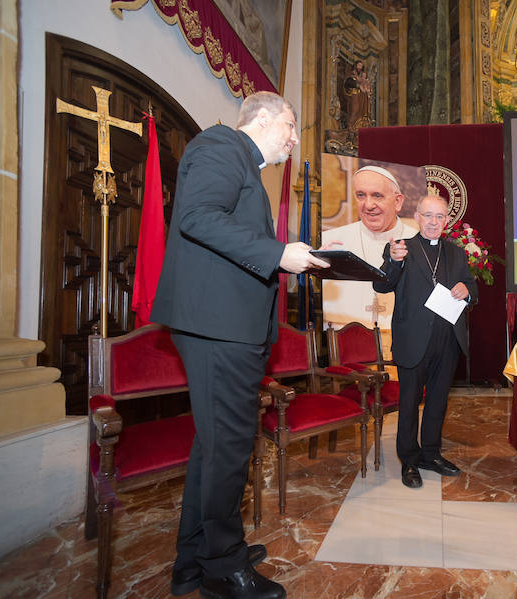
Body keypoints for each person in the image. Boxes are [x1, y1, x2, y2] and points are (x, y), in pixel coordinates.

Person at [150, 91, 328, 599]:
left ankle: (194, 559)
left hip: (228, 327)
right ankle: (222, 568)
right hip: (216, 326)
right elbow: (198, 218)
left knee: (215, 448)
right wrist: (278, 254)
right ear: (265, 118)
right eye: (291, 127)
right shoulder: (221, 146)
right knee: (228, 450)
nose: (294, 140)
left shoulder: (245, 165)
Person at [373, 195, 478, 489]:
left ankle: (430, 454)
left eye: (440, 217)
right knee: (409, 403)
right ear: (417, 217)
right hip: (413, 339)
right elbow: (382, 284)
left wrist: (465, 290)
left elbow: (472, 288)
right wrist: (394, 262)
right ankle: (408, 459)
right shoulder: (401, 249)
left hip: (448, 340)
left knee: (437, 402)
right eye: (428, 215)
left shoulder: (456, 253)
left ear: (447, 221)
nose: (434, 222)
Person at [320, 166, 417, 334]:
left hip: (405, 344)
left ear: (398, 201)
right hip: (347, 347)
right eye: (361, 195)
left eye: (377, 196)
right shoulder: (331, 242)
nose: (368, 205)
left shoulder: (418, 242)